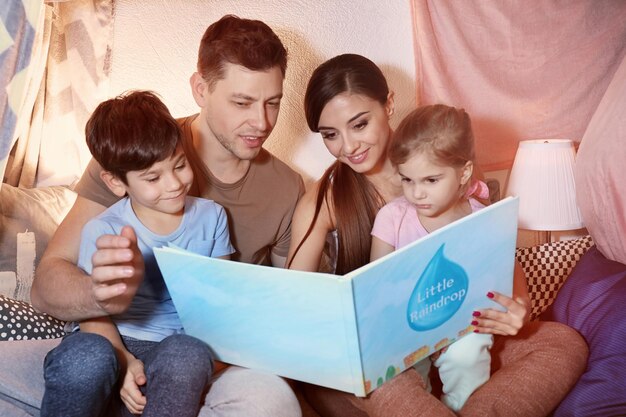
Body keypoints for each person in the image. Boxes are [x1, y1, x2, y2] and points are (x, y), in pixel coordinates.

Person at [0, 15, 303, 417]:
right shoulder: (137, 148)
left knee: (270, 399)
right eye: (242, 102)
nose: (262, 122)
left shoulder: (286, 189)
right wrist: (114, 344)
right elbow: (50, 283)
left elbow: (284, 306)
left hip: (203, 359)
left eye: (273, 102)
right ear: (200, 88)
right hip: (102, 341)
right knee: (63, 365)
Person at [286, 53, 588, 417]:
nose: (348, 146)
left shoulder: (445, 161)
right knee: (382, 377)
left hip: (463, 334)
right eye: (330, 135)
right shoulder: (325, 200)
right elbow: (296, 307)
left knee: (562, 342)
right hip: (391, 354)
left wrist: (517, 310)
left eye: (360, 124)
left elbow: (500, 260)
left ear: (389, 104)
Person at [41, 90, 234, 416]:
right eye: (153, 178)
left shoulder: (212, 217)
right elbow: (93, 310)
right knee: (86, 357)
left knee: (188, 353)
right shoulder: (104, 229)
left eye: (180, 165)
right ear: (117, 183)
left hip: (169, 347)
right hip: (108, 338)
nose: (174, 184)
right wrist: (122, 358)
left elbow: (219, 297)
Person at [370, 104, 514, 411]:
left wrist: (502, 310)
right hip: (405, 328)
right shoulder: (392, 217)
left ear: (463, 173)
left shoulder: (482, 219)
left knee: (469, 353)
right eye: (407, 180)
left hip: (462, 325)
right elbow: (376, 285)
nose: (416, 193)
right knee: (398, 375)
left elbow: (499, 284)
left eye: (430, 180)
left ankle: (464, 407)